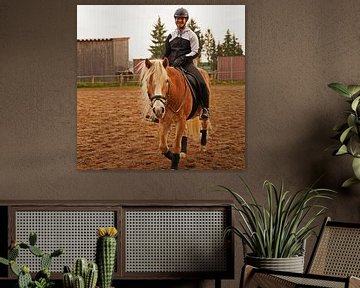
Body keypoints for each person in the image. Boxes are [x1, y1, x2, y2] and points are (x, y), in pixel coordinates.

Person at [163, 7, 210, 120]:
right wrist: (163, 63)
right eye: (178, 18)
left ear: (186, 20)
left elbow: (195, 51)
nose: (180, 20)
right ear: (175, 20)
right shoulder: (170, 36)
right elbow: (166, 53)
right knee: (158, 83)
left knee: (202, 83)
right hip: (172, 65)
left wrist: (183, 58)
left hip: (187, 64)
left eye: (182, 19)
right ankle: (156, 112)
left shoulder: (191, 35)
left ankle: (205, 109)